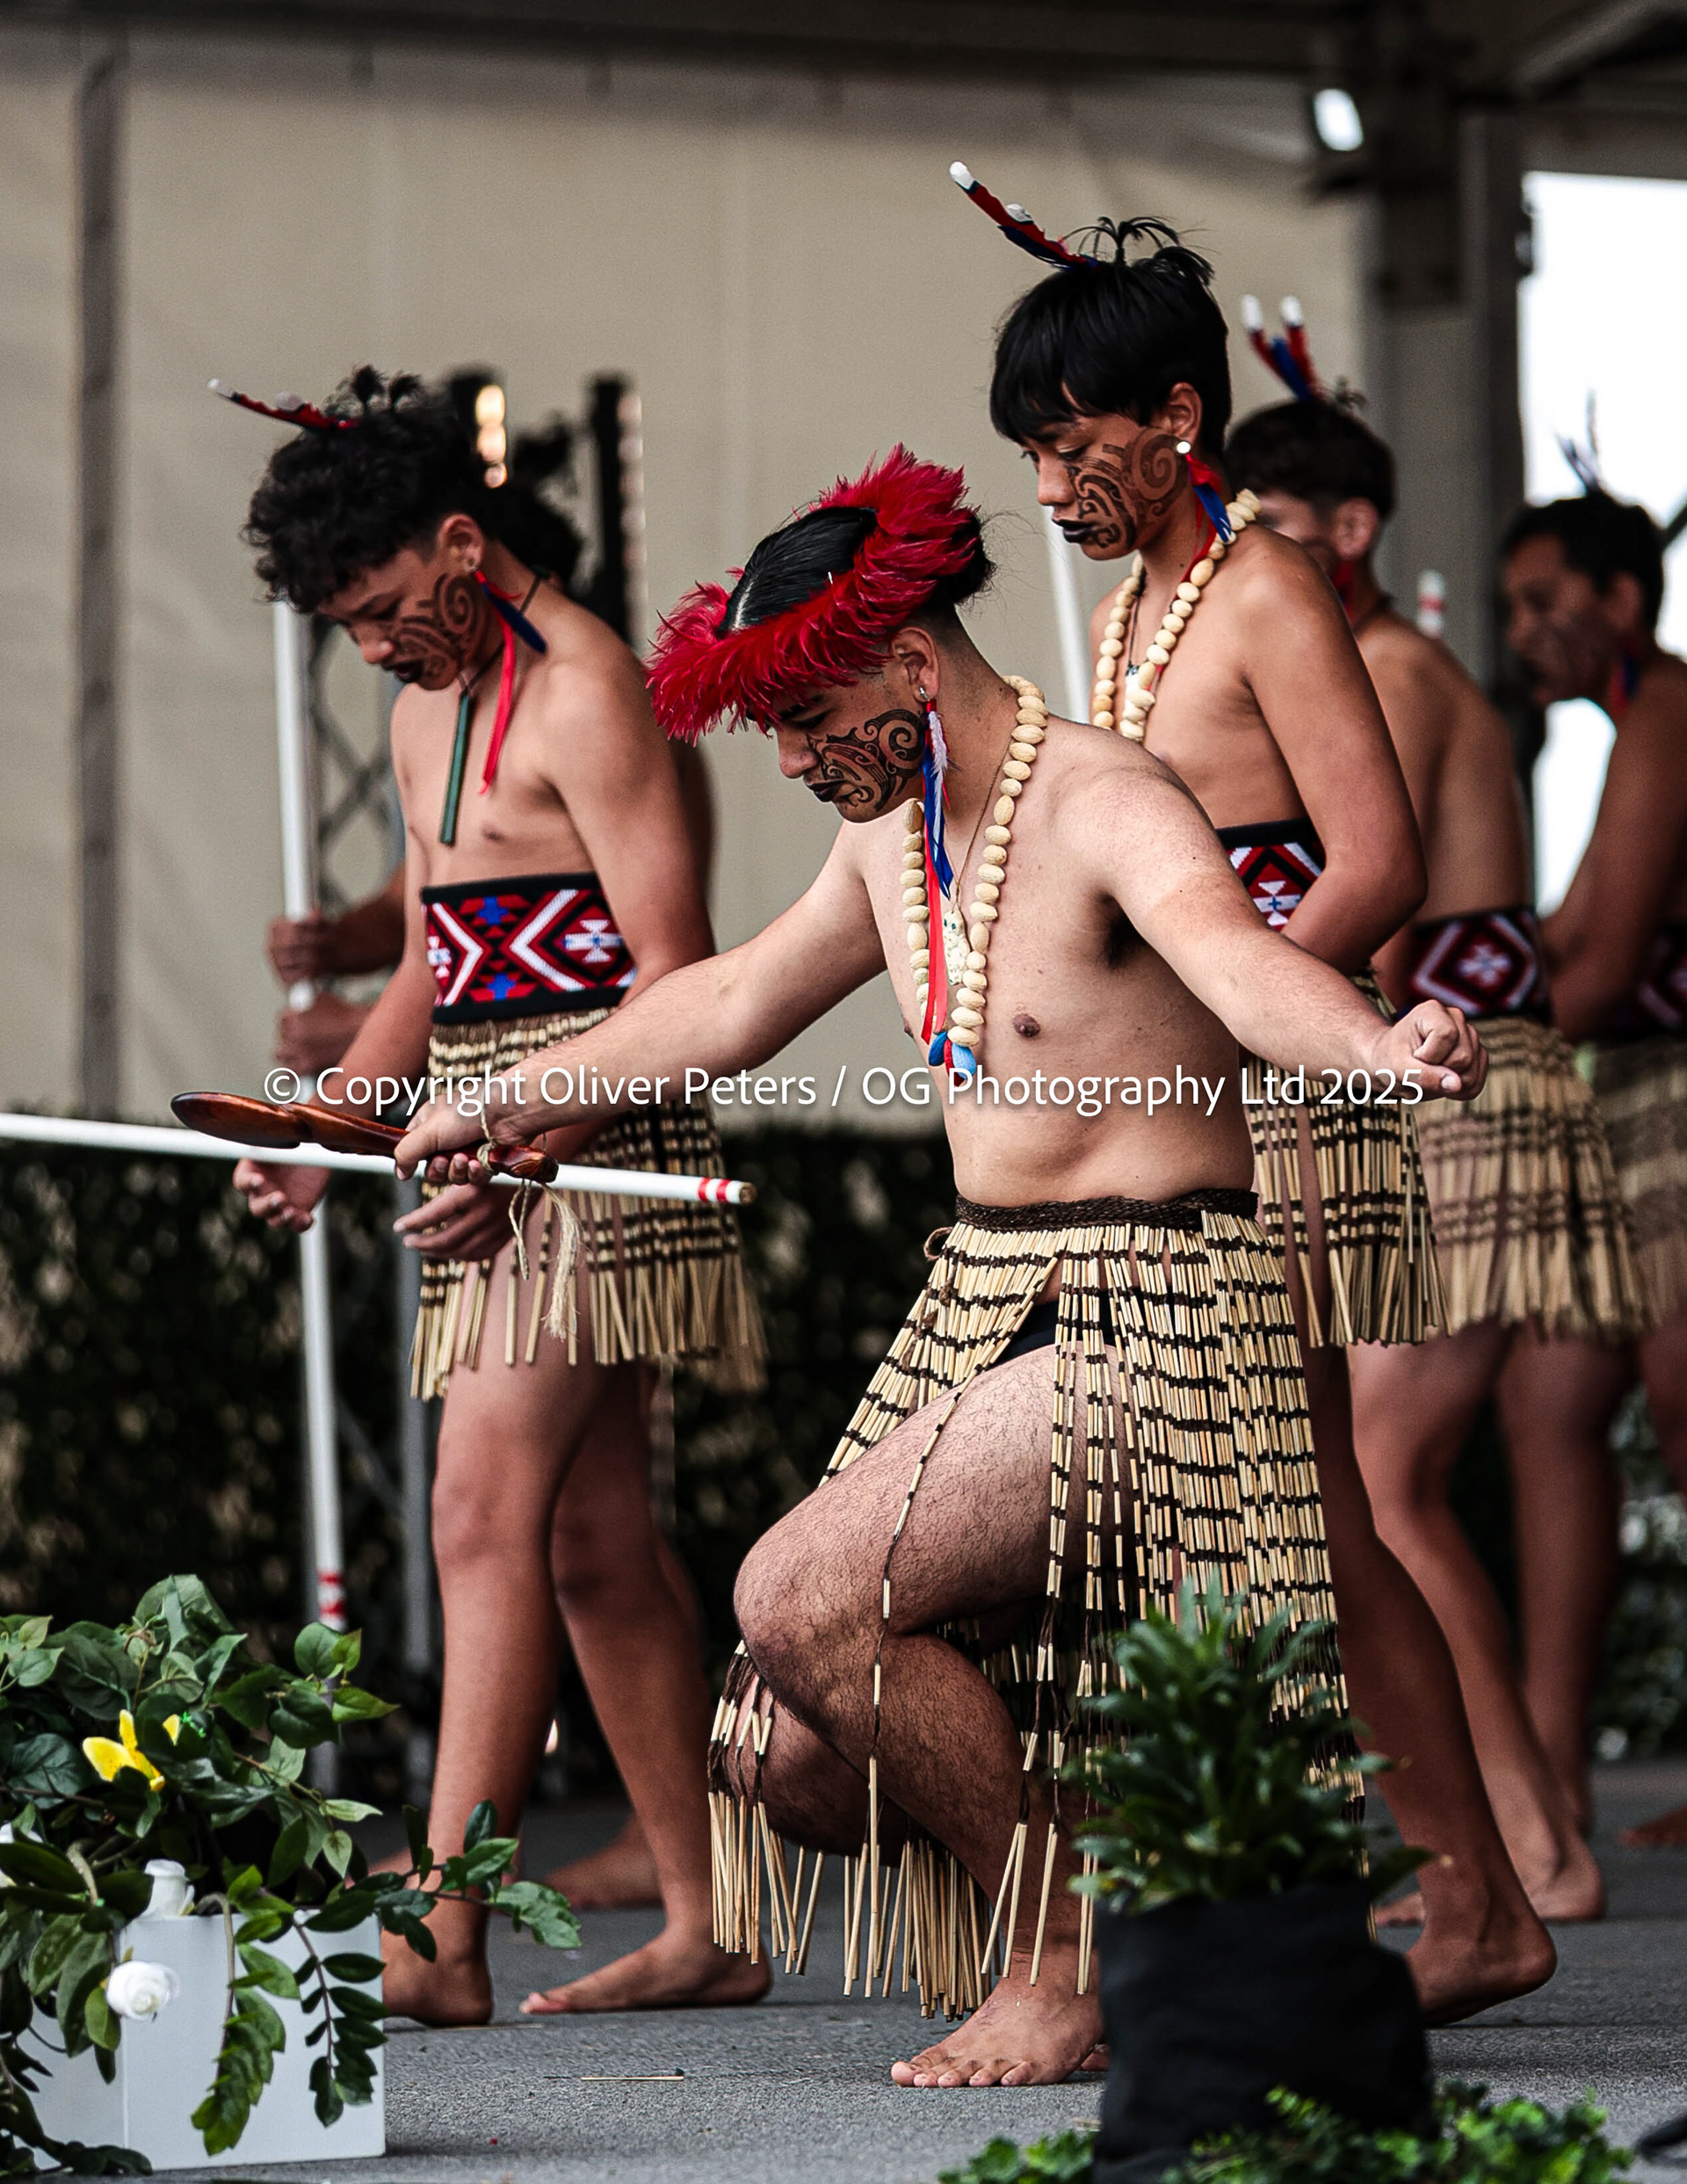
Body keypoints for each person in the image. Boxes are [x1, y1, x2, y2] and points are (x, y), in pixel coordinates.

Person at [396, 445, 1500, 2083]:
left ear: (912, 665)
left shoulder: (1105, 798)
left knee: (796, 1594)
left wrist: (1379, 1044)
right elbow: (726, 1000)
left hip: (1164, 1314)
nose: (787, 758)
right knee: (782, 1757)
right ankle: (1138, 1900)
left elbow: (1244, 963)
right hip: (992, 1304)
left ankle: (1060, 1951)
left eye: (804, 718)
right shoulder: (892, 836)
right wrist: (507, 1104)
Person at [972, 200, 1552, 2010]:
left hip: (1283, 1093)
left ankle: (1454, 1897)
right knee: (1294, 1508)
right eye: (1031, 455)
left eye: (1073, 444)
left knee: (1309, 1511)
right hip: (1210, 1091)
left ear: (1176, 417)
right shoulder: (1132, 611)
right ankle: (1399, 1891)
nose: (1051, 487)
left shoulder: (1271, 586)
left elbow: (1376, 860)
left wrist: (1240, 1012)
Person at [228, 367, 764, 2021]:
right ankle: (707, 1916)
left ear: (463, 544)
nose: (372, 648)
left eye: (383, 608)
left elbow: (677, 979)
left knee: (477, 1510)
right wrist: (323, 1121)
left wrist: (526, 1138)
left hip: (590, 1146)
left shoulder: (593, 691)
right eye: (345, 625)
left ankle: (446, 1930)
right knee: (592, 1540)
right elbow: (436, 972)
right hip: (495, 1141)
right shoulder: (424, 709)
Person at [1226, 390, 1647, 1919]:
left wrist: (1246, 1022)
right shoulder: (1375, 662)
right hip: (1460, 1082)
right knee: (1402, 1476)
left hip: (1446, 1089)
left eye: (1267, 530)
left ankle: (1526, 1842)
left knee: (1386, 1480)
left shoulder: (1389, 671)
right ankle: (1521, 1828)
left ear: (1348, 531)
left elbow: (1375, 920)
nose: (1237, 562)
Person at [1498, 490, 1687, 1848]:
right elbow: (1568, 935)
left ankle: (1550, 1785)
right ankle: (1546, 1787)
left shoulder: (1666, 708)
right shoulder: (1635, 727)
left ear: (1622, 601)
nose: (1522, 632)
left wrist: (1448, 1051)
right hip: (1621, 1094)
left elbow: (1605, 962)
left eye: (1543, 602)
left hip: (1670, 1087)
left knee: (1681, 1410)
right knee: (1547, 1401)